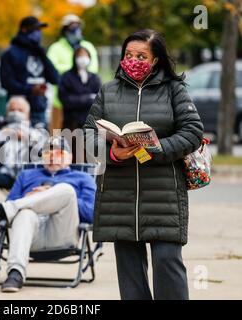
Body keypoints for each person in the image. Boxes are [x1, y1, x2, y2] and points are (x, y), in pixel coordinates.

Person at [84, 29, 204, 300]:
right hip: (118, 193)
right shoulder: (108, 90)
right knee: (129, 269)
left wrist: (155, 149)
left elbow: (193, 132)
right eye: (128, 54)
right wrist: (112, 153)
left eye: (141, 56)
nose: (133, 60)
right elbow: (87, 135)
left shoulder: (174, 90)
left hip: (163, 194)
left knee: (166, 260)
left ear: (156, 60)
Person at [0, 136, 97, 292]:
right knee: (24, 213)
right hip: (30, 235)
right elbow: (15, 213)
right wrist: (29, 199)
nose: (52, 157)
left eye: (59, 153)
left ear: (70, 157)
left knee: (67, 190)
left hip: (62, 234)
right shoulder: (26, 175)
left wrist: (52, 193)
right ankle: (15, 274)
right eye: (47, 153)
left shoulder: (83, 178)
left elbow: (91, 214)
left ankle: (2, 211)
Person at [0, 96, 48, 225]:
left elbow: (45, 142)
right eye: (12, 109)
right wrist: (3, 134)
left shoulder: (37, 125)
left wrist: (27, 136)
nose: (15, 112)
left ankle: (24, 214)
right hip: (2, 172)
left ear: (27, 113)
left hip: (26, 174)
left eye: (20, 109)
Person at [0, 16, 59, 128]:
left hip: (39, 109)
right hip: (18, 110)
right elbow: (6, 82)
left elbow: (55, 78)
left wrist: (43, 56)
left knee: (40, 144)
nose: (38, 33)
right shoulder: (10, 53)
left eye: (39, 30)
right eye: (35, 29)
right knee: (18, 144)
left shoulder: (39, 53)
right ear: (24, 30)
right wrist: (31, 89)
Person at [47, 14, 99, 130]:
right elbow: (52, 70)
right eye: (72, 26)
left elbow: (93, 68)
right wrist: (73, 69)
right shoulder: (56, 48)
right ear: (65, 29)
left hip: (86, 107)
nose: (76, 30)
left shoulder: (88, 46)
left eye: (78, 26)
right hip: (61, 103)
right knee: (57, 137)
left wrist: (69, 71)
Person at [58, 46, 101, 131]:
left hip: (91, 125)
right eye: (80, 56)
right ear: (75, 58)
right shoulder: (66, 77)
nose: (83, 59)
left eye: (85, 56)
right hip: (71, 124)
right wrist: (87, 99)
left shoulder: (94, 78)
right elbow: (65, 99)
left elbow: (100, 100)